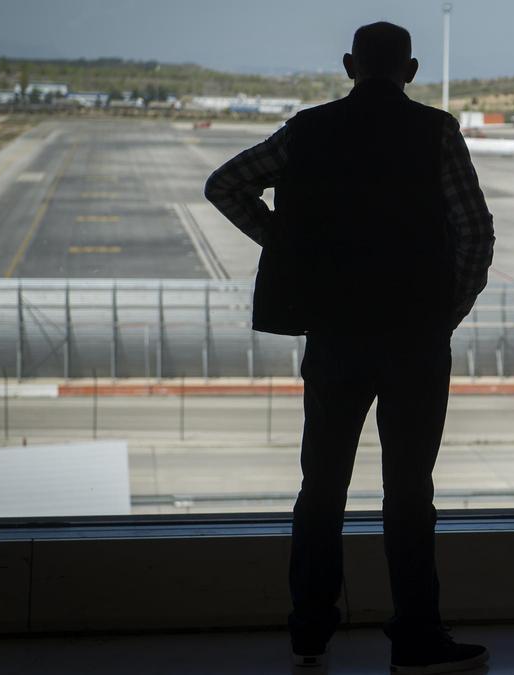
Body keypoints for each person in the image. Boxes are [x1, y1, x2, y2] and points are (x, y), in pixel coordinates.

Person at [204, 21, 494, 674]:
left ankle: (310, 629)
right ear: (412, 70)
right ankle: (417, 637)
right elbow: (475, 232)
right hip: (417, 337)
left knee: (323, 486)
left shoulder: (308, 131)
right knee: (410, 491)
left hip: (335, 334)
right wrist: (447, 310)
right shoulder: (436, 133)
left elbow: (225, 185)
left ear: (348, 65)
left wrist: (287, 246)